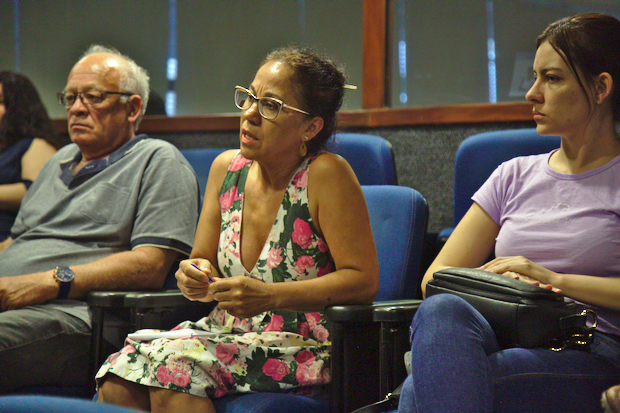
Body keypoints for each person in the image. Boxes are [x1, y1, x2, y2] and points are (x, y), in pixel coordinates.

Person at [96, 45, 380, 412]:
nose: (249, 114)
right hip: (224, 333)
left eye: (271, 106)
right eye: (248, 97)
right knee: (120, 373)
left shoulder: (327, 175)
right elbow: (201, 260)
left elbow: (363, 281)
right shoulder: (225, 169)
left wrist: (270, 296)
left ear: (310, 127)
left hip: (301, 344)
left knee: (176, 366)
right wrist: (194, 276)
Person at [397, 13, 620, 413]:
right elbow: (435, 280)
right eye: (535, 77)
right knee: (441, 308)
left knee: (422, 391)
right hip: (502, 331)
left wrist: (550, 278)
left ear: (601, 87)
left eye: (552, 79)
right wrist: (496, 277)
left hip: (592, 347)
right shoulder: (512, 175)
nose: (532, 93)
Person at [0, 45, 200, 392]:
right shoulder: (58, 160)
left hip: (74, 317)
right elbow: (17, 242)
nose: (77, 108)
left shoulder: (158, 161)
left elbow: (151, 265)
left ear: (133, 107)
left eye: (93, 97)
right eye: (71, 97)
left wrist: (50, 282)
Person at [0, 71, 66, 241]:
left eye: (0, 101)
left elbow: (36, 191)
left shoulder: (37, 143)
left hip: (10, 239)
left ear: (19, 108)